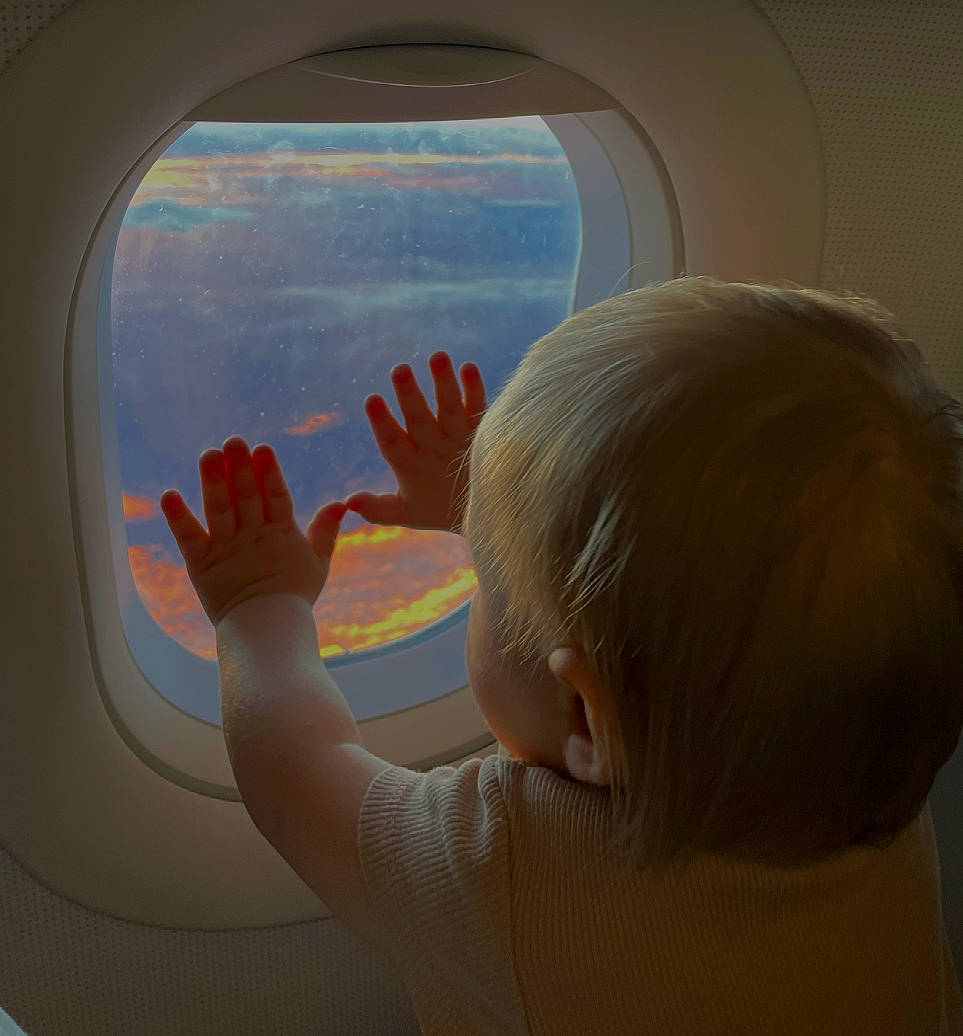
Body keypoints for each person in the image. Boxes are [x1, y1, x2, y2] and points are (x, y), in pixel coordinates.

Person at [160, 276, 963, 1034]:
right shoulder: (870, 791)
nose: (478, 572)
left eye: (487, 577)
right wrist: (508, 514)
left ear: (585, 716)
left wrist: (257, 606)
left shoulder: (497, 870)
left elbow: (296, 770)